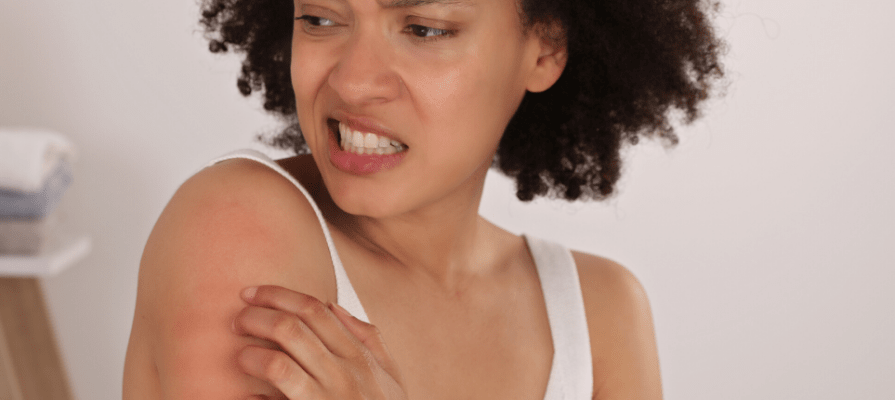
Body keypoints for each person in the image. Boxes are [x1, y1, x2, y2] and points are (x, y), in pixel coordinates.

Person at [124, 0, 724, 398]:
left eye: (423, 29)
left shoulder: (600, 315)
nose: (352, 80)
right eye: (320, 18)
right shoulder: (238, 223)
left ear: (544, 49)